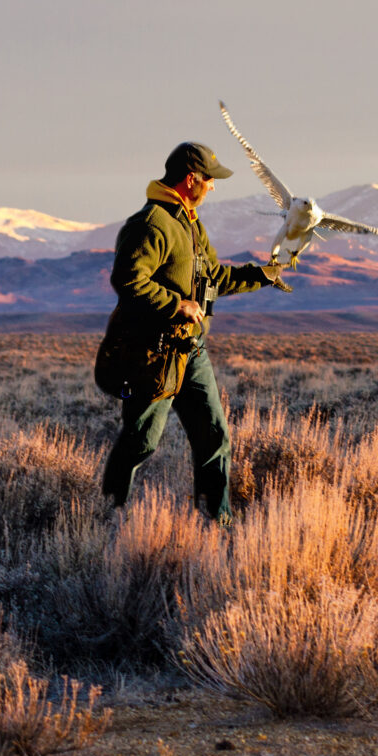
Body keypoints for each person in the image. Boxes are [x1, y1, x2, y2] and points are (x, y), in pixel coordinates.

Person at [97, 140, 283, 521]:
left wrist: (259, 275)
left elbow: (212, 278)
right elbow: (128, 280)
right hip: (153, 354)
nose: (212, 187)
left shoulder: (191, 225)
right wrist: (175, 304)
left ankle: (218, 525)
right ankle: (106, 519)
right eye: (209, 180)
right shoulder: (152, 224)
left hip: (191, 351)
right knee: (141, 442)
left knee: (214, 437)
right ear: (191, 179)